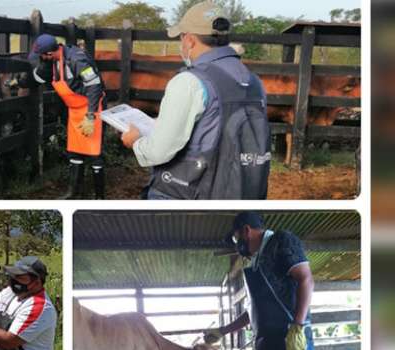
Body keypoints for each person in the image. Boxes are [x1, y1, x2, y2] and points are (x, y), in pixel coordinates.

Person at [120, 1, 271, 200]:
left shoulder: (189, 81)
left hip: (185, 192)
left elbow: (159, 152)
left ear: (190, 40)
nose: (181, 44)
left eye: (181, 38)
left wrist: (137, 142)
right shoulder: (253, 82)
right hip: (235, 190)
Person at [203, 211, 320, 350]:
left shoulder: (282, 241)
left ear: (246, 231)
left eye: (236, 238)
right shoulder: (257, 261)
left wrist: (298, 326)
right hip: (268, 345)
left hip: (289, 339)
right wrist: (222, 331)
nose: (237, 244)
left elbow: (306, 280)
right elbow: (254, 310)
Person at [28, 34, 106, 199]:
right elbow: (40, 76)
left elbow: (94, 86)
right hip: (75, 110)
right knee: (75, 151)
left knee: (94, 153)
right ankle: (73, 193)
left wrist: (90, 116)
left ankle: (100, 198)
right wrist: (19, 82)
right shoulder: (53, 61)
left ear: (49, 53)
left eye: (41, 56)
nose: (41, 59)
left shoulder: (77, 59)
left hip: (91, 107)